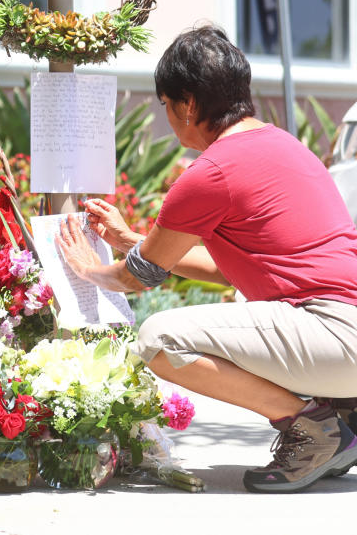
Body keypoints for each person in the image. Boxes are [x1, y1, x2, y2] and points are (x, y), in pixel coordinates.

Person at [55, 25, 357, 493]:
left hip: (338, 336)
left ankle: (316, 429)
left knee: (158, 340)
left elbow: (137, 279)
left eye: (167, 104)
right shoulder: (282, 145)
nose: (169, 117)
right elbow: (229, 268)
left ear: (188, 104)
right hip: (342, 332)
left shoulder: (211, 172)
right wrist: (131, 238)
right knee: (238, 300)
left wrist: (84, 268)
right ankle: (343, 414)